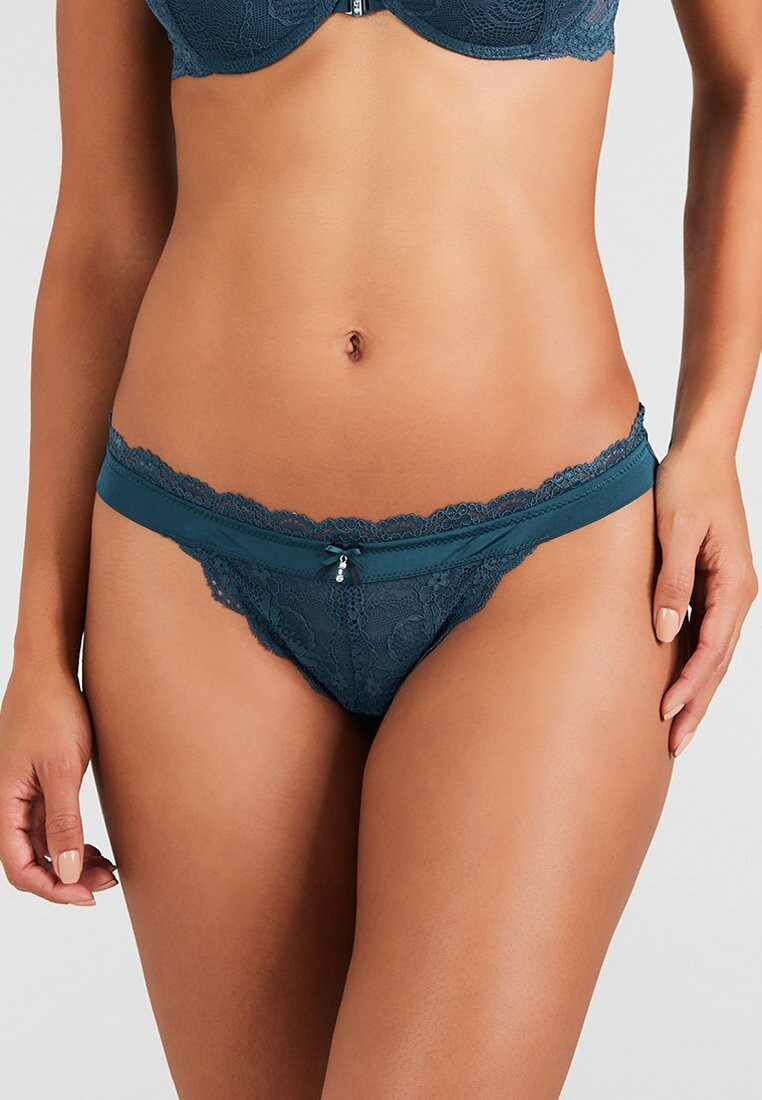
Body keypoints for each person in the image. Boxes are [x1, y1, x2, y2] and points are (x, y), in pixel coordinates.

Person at [1, 0, 759, 1096]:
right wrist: (37, 642)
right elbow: (102, 232)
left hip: (546, 568)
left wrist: (715, 436)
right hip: (187, 581)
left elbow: (749, 82)